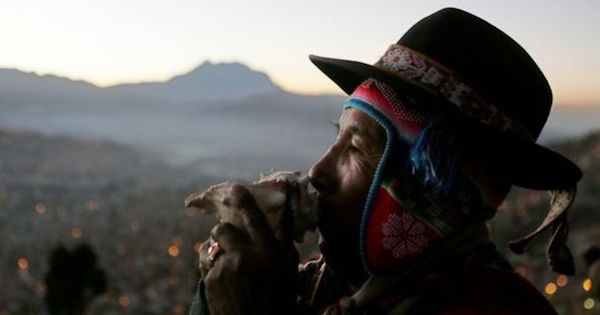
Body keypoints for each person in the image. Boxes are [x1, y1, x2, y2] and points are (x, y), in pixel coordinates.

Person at [189, 7, 582, 315]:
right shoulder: (328, 283)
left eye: (357, 149)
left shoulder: (493, 308)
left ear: (431, 190)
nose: (318, 171)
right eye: (336, 137)